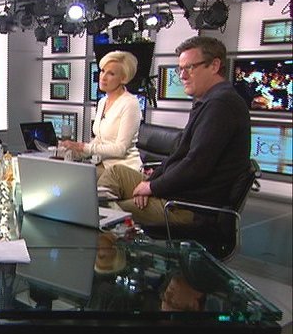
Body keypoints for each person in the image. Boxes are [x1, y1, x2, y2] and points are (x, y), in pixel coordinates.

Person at [98, 36, 250, 226]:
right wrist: (150, 182)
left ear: (214, 66)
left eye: (190, 68)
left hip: (189, 205)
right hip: (175, 191)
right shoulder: (209, 101)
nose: (182, 76)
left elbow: (195, 166)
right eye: (181, 69)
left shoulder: (221, 105)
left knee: (105, 212)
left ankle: (103, 227)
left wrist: (153, 188)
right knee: (116, 173)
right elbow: (178, 156)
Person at [60, 50, 142, 177]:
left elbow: (120, 149)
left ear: (123, 78)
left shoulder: (130, 103)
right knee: (64, 173)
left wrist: (82, 147)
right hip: (104, 166)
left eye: (111, 74)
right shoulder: (102, 102)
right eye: (103, 71)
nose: (103, 77)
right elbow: (99, 139)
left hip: (124, 170)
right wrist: (75, 151)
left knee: (75, 180)